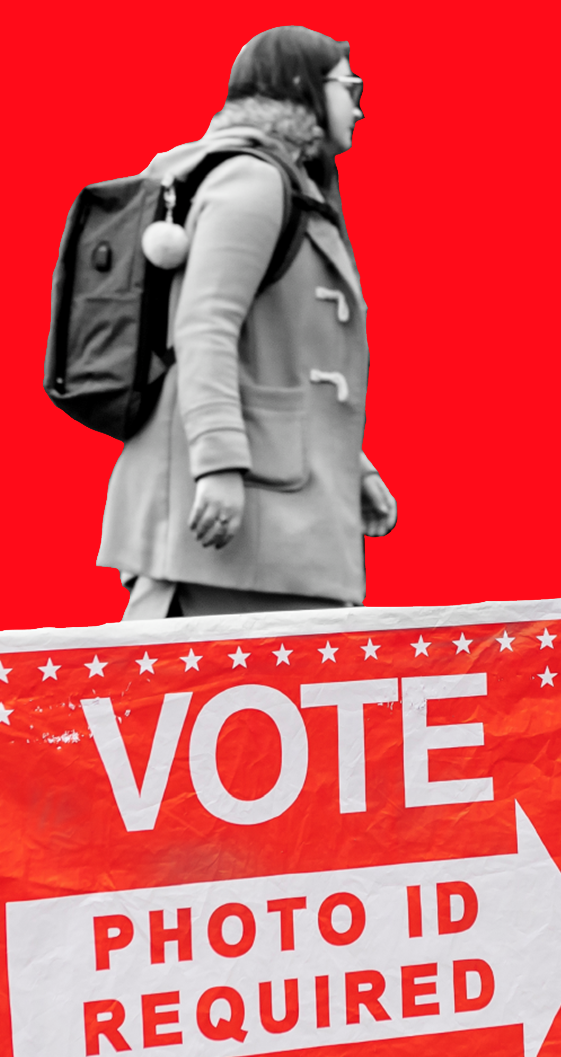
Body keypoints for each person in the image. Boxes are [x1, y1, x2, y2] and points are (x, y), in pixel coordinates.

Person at [98, 26, 400, 619]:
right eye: (349, 86)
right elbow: (204, 326)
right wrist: (217, 466)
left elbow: (281, 359)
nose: (361, 107)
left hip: (274, 509)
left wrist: (346, 467)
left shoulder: (279, 181)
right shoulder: (255, 181)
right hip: (239, 514)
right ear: (302, 89)